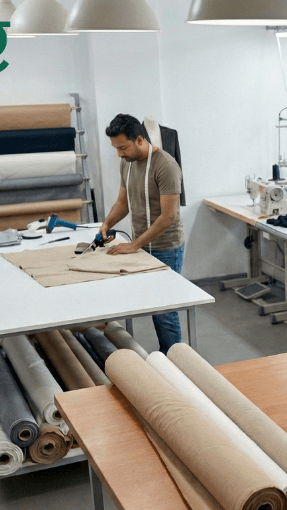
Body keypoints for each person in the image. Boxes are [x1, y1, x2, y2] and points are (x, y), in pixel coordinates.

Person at [99, 114, 185, 354]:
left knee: (165, 311)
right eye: (116, 148)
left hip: (166, 247)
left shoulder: (165, 165)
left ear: (139, 140)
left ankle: (176, 361)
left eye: (123, 147)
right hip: (142, 245)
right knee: (151, 304)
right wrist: (106, 224)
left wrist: (134, 245)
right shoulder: (126, 163)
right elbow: (122, 202)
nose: (119, 153)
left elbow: (168, 216)